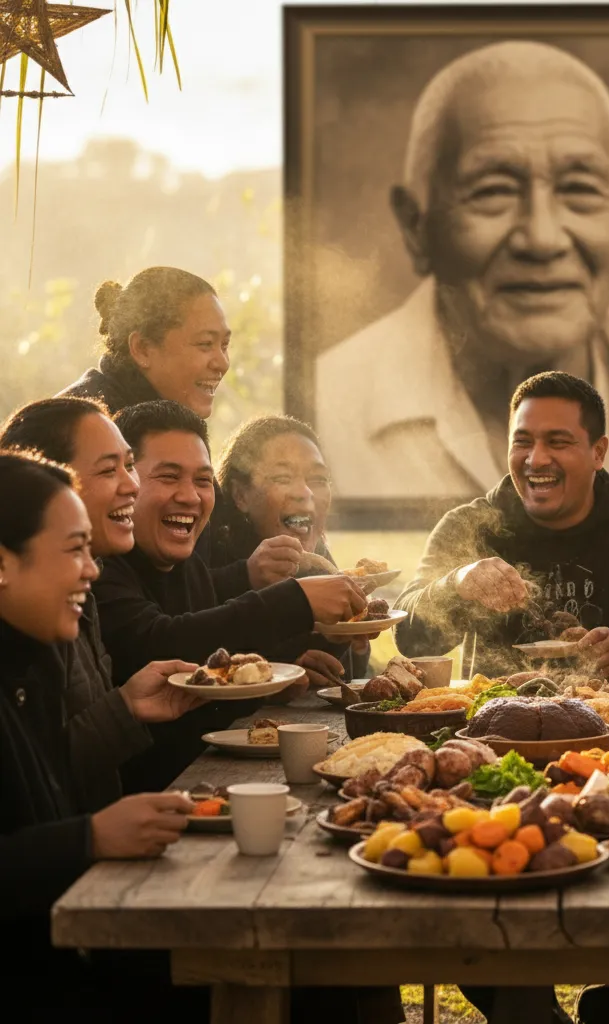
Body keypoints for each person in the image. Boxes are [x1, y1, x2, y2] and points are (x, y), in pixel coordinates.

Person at [315, 40, 609, 500]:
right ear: (416, 226)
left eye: (579, 189)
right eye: (493, 190)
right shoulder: (327, 413)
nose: (542, 238)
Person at [0, 449, 206, 1015]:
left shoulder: (33, 661)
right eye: (74, 551)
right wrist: (89, 838)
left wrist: (125, 712)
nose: (91, 571)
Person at [93, 400, 371, 791]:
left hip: (204, 790)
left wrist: (276, 674)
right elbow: (159, 644)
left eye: (202, 480)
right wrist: (295, 601)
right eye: (169, 476)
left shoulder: (185, 561)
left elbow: (206, 676)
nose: (189, 496)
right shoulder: (97, 565)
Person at [394, 371, 609, 682]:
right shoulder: (468, 526)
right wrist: (456, 583)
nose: (536, 459)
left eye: (558, 442)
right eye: (523, 442)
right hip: (493, 723)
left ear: (598, 452)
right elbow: (409, 639)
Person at [0, 396, 206, 811]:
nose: (132, 484)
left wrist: (127, 707)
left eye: (129, 465)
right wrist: (89, 840)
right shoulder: (29, 620)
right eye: (110, 469)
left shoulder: (79, 596)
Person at [60, 267, 303, 596]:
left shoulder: (169, 419)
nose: (222, 363)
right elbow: (141, 603)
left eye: (225, 345)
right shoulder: (88, 430)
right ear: (143, 348)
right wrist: (247, 577)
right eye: (206, 344)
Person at [214, 414, 369, 680]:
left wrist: (355, 641)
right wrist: (283, 669)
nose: (306, 492)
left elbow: (342, 677)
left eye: (318, 479)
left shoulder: (319, 561)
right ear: (241, 495)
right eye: (283, 478)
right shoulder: (213, 561)